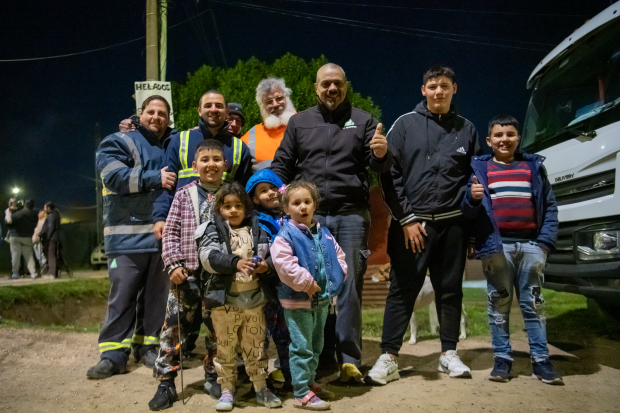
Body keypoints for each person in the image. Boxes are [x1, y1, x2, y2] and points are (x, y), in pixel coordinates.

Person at [271, 63, 392, 381]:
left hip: (351, 215)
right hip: (308, 219)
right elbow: (282, 163)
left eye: (337, 83)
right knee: (309, 286)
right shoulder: (299, 122)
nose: (332, 89)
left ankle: (349, 359)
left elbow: (378, 166)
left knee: (349, 287)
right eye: (326, 84)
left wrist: (380, 155)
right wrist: (275, 196)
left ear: (346, 85)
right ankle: (317, 354)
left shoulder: (364, 121)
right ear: (316, 88)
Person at [367, 64, 480, 384]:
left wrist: (471, 227)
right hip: (412, 226)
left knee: (449, 291)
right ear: (423, 90)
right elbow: (387, 173)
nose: (438, 91)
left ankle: (448, 354)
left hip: (453, 227)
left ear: (454, 89)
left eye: (445, 85)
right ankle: (389, 356)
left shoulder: (467, 129)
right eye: (432, 86)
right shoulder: (404, 125)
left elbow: (477, 177)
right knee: (401, 291)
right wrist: (406, 219)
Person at [461, 115, 562, 384]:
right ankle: (502, 359)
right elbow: (466, 211)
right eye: (498, 135)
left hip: (531, 246)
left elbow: (549, 207)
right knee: (498, 303)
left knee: (534, 304)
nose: (504, 139)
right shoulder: (479, 170)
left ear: (518, 138)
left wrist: (544, 245)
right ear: (489, 140)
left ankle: (541, 361)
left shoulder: (533, 168)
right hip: (497, 247)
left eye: (510, 134)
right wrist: (471, 199)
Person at [86, 95, 175, 380]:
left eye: (162, 113)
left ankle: (148, 348)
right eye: (151, 112)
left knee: (157, 300)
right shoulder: (118, 141)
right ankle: (112, 355)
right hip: (126, 239)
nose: (157, 117)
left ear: (169, 117)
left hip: (161, 239)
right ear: (141, 114)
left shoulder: (173, 146)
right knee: (122, 298)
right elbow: (113, 177)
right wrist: (154, 178)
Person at [149, 139, 230, 411]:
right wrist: (173, 265)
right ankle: (166, 382)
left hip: (220, 278)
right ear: (194, 166)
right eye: (204, 160)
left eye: (217, 159)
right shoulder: (183, 195)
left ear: (225, 165)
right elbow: (170, 233)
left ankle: (214, 375)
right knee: (175, 329)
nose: (211, 164)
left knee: (218, 330)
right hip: (187, 275)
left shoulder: (231, 196)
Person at [198, 182, 282, 411]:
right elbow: (208, 257)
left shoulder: (259, 230)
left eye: (238, 206)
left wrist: (266, 266)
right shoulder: (212, 230)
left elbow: (275, 256)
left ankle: (260, 387)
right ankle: (227, 389)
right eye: (227, 206)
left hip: (254, 302)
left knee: (255, 347)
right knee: (225, 348)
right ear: (219, 209)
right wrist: (235, 263)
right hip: (225, 304)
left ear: (246, 208)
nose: (233, 210)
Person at [271, 180, 347, 410]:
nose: (302, 207)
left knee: (317, 344)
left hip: (322, 299)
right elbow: (284, 264)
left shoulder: (323, 232)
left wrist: (337, 277)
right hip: (298, 301)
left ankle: (310, 382)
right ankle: (301, 392)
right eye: (296, 203)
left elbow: (338, 257)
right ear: (286, 209)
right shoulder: (286, 235)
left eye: (307, 202)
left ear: (314, 205)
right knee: (301, 345)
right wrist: (305, 283)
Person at [153, 90, 253, 241]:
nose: (213, 109)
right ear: (199, 111)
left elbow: (245, 192)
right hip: (185, 225)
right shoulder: (179, 141)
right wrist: (160, 217)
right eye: (208, 105)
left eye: (219, 106)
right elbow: (166, 184)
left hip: (225, 229)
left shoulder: (239, 147)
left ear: (226, 111)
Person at [245, 169, 291, 387]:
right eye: (264, 191)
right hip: (264, 286)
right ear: (255, 199)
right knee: (260, 334)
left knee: (287, 334)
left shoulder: (293, 218)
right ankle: (260, 380)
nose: (271, 193)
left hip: (289, 286)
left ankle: (291, 375)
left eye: (274, 188)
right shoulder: (254, 222)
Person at [241, 77, 297, 171]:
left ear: (287, 98)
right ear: (261, 106)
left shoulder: (307, 126)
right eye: (269, 102)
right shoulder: (248, 139)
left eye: (279, 98)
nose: (275, 104)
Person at [6, 199, 38, 279]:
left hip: (15, 236)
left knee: (15, 256)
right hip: (27, 236)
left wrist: (8, 212)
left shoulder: (18, 214)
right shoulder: (35, 214)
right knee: (29, 256)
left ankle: (15, 273)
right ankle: (33, 273)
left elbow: (9, 222)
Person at [40, 202, 61, 279]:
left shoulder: (51, 216)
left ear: (49, 208)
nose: (44, 209)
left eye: (45, 207)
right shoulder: (56, 214)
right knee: (53, 255)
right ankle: (54, 272)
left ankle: (51, 273)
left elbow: (51, 228)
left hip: (51, 238)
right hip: (55, 238)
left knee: (51, 255)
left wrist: (47, 238)